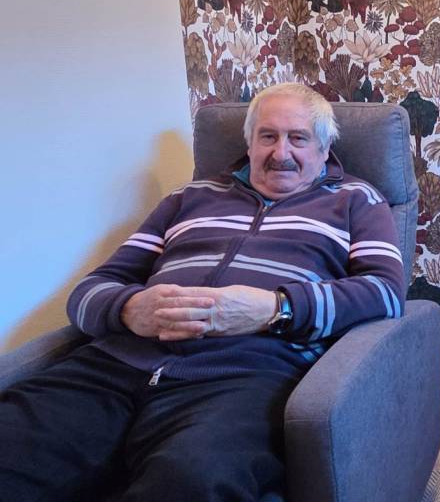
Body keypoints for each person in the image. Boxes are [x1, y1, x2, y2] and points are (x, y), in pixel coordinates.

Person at [0, 83, 405, 501]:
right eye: (267, 136)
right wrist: (128, 309)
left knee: (192, 480)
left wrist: (275, 308)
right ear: (249, 143)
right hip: (111, 366)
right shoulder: (188, 197)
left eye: (298, 138)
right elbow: (90, 289)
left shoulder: (356, 200)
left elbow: (386, 292)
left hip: (245, 374)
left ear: (324, 148)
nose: (280, 152)